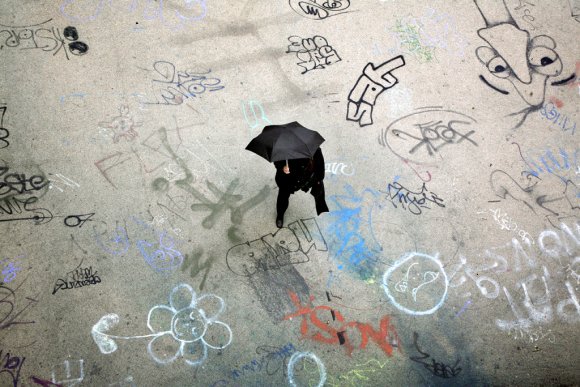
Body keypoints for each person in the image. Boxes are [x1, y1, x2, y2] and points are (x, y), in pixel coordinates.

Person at [274, 147, 329, 228]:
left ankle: (321, 207)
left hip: (305, 177)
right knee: (283, 197)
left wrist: (319, 179)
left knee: (318, 188)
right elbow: (277, 162)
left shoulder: (313, 148)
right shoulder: (283, 148)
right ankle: (280, 215)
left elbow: (320, 166)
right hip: (288, 179)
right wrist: (283, 167)